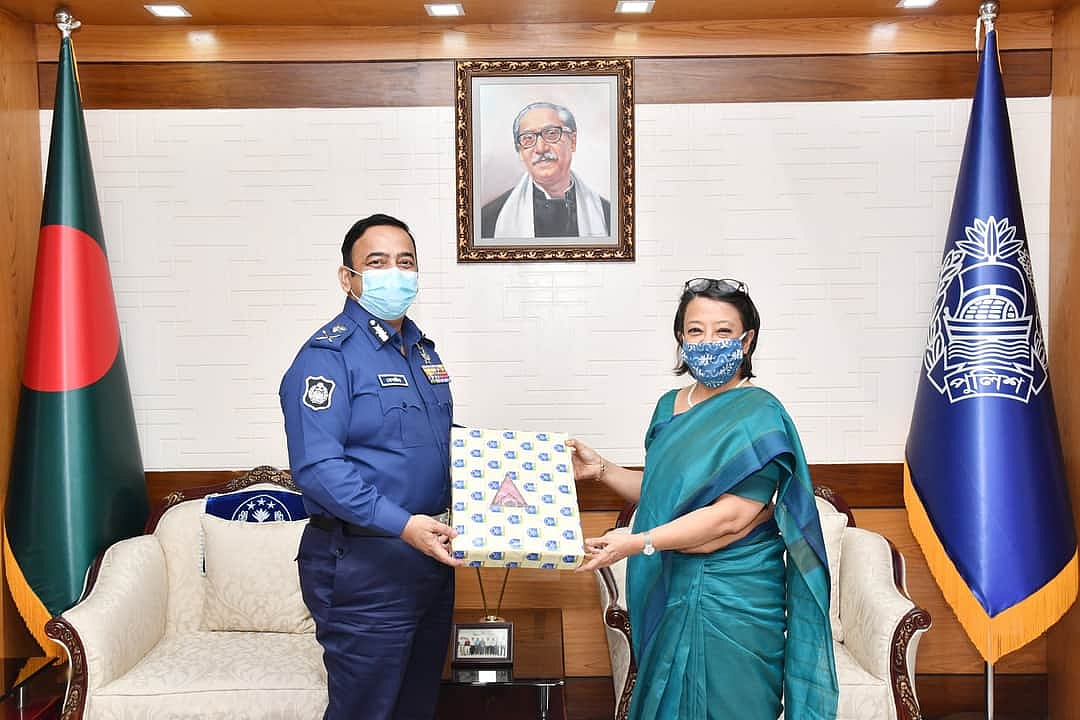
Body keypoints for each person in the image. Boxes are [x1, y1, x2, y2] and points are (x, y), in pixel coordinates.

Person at [571, 278, 839, 720]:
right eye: (696, 331)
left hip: (737, 592)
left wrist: (638, 542)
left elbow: (730, 517)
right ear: (681, 338)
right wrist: (602, 470)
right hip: (672, 580)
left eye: (723, 331)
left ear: (746, 340)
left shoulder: (759, 413)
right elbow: (663, 494)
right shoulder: (667, 407)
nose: (708, 342)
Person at [279, 213, 463, 720]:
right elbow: (318, 468)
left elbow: (437, 442)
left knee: (415, 706)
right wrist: (403, 526)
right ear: (348, 277)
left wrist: (521, 462)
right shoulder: (327, 357)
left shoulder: (421, 351)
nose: (395, 273)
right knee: (366, 711)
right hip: (364, 566)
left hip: (429, 559)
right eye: (377, 262)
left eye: (406, 262)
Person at [480, 101, 611, 239]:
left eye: (552, 133)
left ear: (572, 141)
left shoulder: (608, 216)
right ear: (520, 152)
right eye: (528, 138)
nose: (541, 148)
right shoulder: (489, 221)